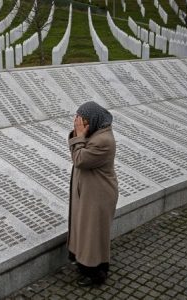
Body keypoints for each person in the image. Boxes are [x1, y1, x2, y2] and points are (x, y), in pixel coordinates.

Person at [67, 101, 119, 287]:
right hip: (90, 193)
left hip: (99, 195)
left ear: (95, 120)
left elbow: (79, 159)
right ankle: (85, 265)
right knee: (86, 231)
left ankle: (96, 273)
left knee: (93, 234)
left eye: (83, 122)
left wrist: (79, 136)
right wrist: (79, 135)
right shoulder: (96, 133)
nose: (79, 125)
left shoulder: (103, 141)